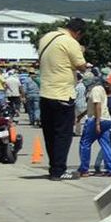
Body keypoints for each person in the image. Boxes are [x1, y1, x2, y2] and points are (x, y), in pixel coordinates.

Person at [39, 17, 88, 180]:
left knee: (50, 134)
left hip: (45, 92)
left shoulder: (47, 37)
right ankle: (59, 170)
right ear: (78, 33)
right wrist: (81, 50)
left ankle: (54, 167)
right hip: (63, 93)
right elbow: (82, 65)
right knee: (63, 134)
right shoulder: (70, 42)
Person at [77, 81, 111, 177]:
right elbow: (93, 106)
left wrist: (97, 122)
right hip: (107, 119)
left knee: (85, 143)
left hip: (97, 119)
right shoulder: (102, 90)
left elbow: (97, 105)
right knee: (106, 144)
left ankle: (84, 169)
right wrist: (81, 115)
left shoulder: (95, 89)